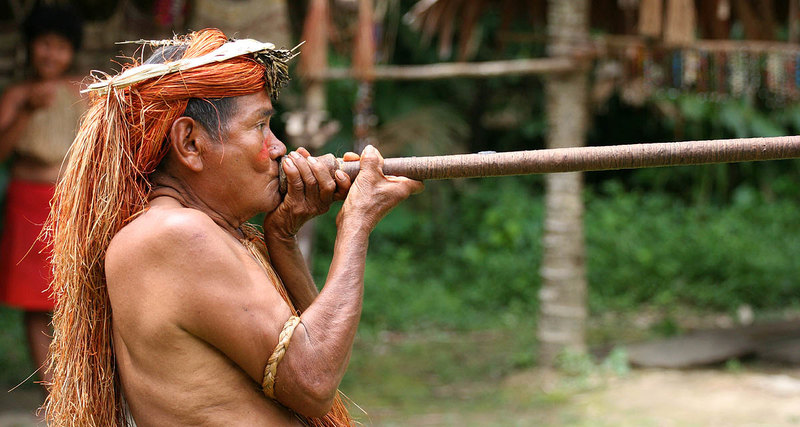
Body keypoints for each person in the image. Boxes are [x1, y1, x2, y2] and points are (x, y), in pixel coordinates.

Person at [44, 29, 423, 426]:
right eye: (260, 126)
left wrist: (282, 239)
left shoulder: (188, 231)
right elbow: (313, 383)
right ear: (190, 143)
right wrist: (357, 223)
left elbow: (321, 351)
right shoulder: (176, 235)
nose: (279, 148)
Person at [0, 3, 84, 389]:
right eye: (44, 44)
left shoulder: (83, 91)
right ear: (31, 46)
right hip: (27, 202)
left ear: (72, 51)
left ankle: (78, 383)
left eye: (61, 46)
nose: (51, 54)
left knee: (73, 293)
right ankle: (52, 393)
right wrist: (27, 111)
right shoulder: (17, 95)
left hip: (69, 202)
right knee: (35, 302)